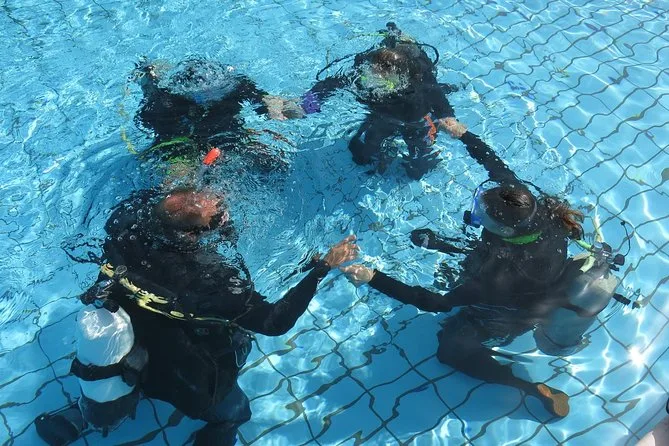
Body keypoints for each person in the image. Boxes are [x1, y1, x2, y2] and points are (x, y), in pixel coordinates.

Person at [35, 187, 359, 445]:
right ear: (191, 236)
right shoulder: (210, 280)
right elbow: (274, 323)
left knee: (112, 366)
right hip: (179, 368)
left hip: (125, 346)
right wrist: (322, 267)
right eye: (216, 213)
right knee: (236, 412)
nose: (218, 202)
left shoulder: (124, 221)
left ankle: (88, 412)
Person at [341, 177, 626, 418]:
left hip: (511, 314)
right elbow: (497, 169)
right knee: (475, 257)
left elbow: (435, 303)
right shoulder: (541, 212)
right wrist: (464, 135)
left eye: (483, 214)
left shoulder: (499, 276)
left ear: (506, 230)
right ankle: (442, 246)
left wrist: (373, 278)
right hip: (534, 276)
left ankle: (527, 388)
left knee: (449, 351)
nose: (476, 214)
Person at [300, 22, 490, 180]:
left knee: (418, 170)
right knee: (361, 155)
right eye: (369, 75)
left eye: (382, 80)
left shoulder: (419, 85)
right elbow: (329, 84)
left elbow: (438, 98)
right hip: (382, 117)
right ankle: (396, 35)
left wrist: (449, 120)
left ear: (401, 80)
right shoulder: (362, 78)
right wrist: (304, 106)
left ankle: (402, 38)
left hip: (416, 121)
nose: (372, 82)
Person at [132, 57, 304, 173]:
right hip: (179, 141)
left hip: (228, 135)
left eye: (215, 95)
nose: (209, 101)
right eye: (200, 97)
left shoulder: (236, 86)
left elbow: (266, 100)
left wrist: (279, 108)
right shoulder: (164, 100)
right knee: (179, 177)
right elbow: (147, 123)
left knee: (272, 164)